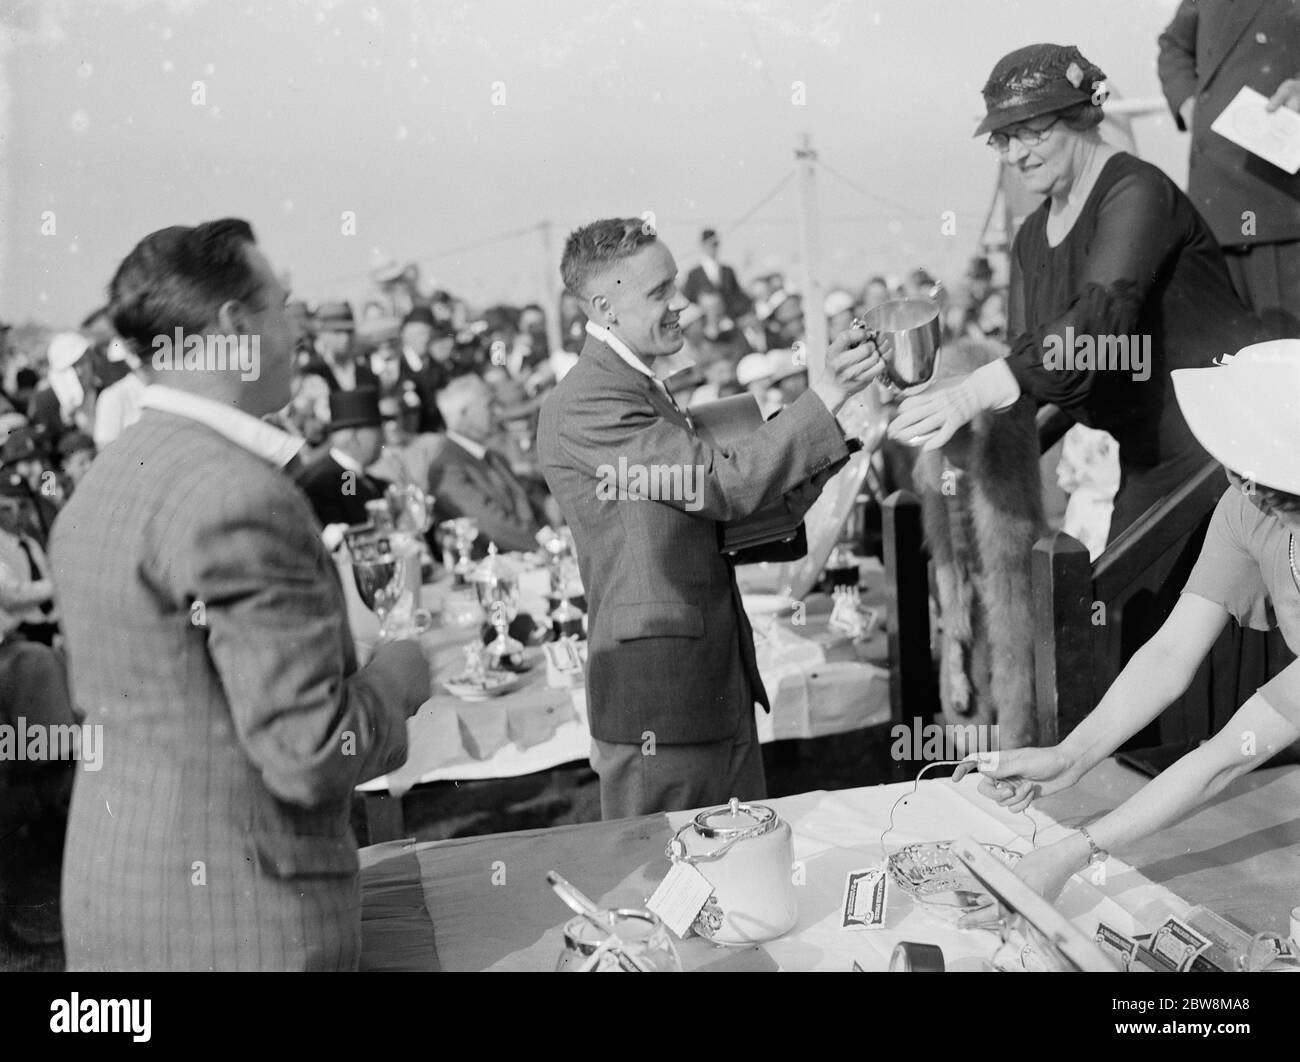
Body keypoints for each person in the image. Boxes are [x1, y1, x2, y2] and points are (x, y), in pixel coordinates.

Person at [49, 218, 429, 970]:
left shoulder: (107, 478)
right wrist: (399, 677)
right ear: (233, 325)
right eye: (282, 305)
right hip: (239, 924)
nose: (296, 329)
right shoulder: (238, 495)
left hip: (117, 902)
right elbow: (310, 751)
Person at [537, 217, 885, 819]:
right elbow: (720, 483)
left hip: (704, 688)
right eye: (659, 293)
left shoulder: (640, 387)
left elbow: (726, 516)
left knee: (739, 884)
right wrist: (825, 397)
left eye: (675, 284)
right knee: (669, 890)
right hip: (661, 705)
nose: (683, 305)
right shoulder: (588, 403)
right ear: (604, 306)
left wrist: (848, 429)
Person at [956, 340, 1300, 902]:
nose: (1242, 483)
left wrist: (1073, 852)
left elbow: (1229, 755)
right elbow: (1169, 654)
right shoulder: (1248, 508)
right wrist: (1073, 754)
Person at [890, 43, 1267, 542]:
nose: (1017, 154)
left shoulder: (1138, 192)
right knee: (1124, 613)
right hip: (1147, 456)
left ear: (1082, 118)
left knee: (1158, 608)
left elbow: (1097, 324)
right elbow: (1036, 369)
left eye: (1032, 131)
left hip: (1226, 455)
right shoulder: (1030, 238)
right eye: (1003, 139)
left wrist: (985, 385)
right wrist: (969, 436)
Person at [1158, 0, 1300, 335]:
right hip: (1215, 207)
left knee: (1286, 357)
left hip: (1280, 206)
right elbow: (1174, 45)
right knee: (1229, 357)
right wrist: (1188, 102)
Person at [431, 371, 545, 555]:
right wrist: (544, 545)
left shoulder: (492, 456)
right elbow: (492, 525)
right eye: (489, 405)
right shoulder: (446, 467)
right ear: (465, 413)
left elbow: (525, 504)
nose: (497, 412)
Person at [296, 388, 393, 530]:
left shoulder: (368, 481)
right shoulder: (322, 483)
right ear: (355, 436)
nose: (384, 439)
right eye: (378, 432)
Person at [681, 228, 753, 322]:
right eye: (709, 244)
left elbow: (737, 295)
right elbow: (689, 298)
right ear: (702, 245)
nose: (713, 248)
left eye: (715, 244)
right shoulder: (694, 274)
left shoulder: (728, 271)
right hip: (704, 322)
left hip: (728, 321)